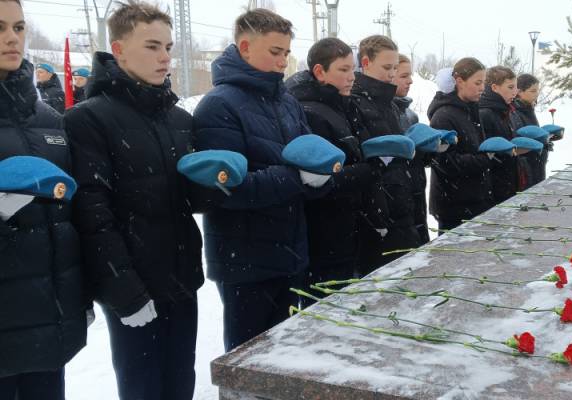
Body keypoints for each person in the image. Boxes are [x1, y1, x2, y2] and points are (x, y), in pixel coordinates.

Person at [65, 2, 216, 398]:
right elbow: (92, 211)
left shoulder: (179, 119)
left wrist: (213, 182)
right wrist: (122, 288)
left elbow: (186, 200)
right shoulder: (89, 119)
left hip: (181, 278)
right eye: (152, 46)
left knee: (181, 380)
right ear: (118, 50)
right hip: (135, 283)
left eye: (168, 46)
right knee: (143, 388)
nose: (165, 57)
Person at [193, 8, 330, 352]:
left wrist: (322, 176)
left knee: (285, 357)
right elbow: (226, 189)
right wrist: (298, 178)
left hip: (291, 253)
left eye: (286, 52)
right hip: (246, 262)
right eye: (275, 52)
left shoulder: (287, 102)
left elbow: (310, 157)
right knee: (249, 359)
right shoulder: (218, 106)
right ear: (244, 47)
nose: (284, 61)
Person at [0, 1, 87, 399]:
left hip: (47, 322)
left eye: (18, 27)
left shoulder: (49, 121)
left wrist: (80, 292)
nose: (11, 37)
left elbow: (71, 213)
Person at [285, 38, 387, 296]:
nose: (352, 77)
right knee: (327, 304)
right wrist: (370, 170)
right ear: (320, 71)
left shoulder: (343, 105)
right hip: (326, 235)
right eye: (343, 70)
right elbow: (321, 179)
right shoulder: (311, 113)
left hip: (351, 229)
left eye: (352, 69)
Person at [351, 35, 421, 274]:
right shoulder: (356, 102)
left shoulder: (390, 103)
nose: (392, 74)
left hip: (400, 201)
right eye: (387, 67)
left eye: (394, 68)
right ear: (366, 63)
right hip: (377, 211)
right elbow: (362, 158)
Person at [428, 58, 494, 230]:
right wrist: (486, 158)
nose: (482, 88)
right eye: (477, 82)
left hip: (475, 200)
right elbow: (445, 162)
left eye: (484, 82)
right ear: (459, 81)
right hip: (454, 206)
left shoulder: (471, 110)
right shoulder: (443, 116)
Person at [393, 54, 429, 243]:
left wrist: (429, 148)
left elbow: (417, 158)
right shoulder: (385, 113)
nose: (411, 81)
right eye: (404, 76)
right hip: (398, 198)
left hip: (416, 190)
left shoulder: (410, 114)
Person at [479, 66, 518, 204]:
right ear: (495, 88)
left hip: (506, 183)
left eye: (516, 87)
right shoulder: (486, 113)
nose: (515, 92)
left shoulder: (504, 110)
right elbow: (486, 151)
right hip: (494, 188)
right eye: (511, 87)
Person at [510, 73, 548, 188]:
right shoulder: (514, 111)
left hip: (536, 161)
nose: (537, 94)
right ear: (520, 91)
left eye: (537, 90)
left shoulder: (528, 108)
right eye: (532, 91)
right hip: (526, 165)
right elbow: (519, 138)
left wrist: (546, 139)